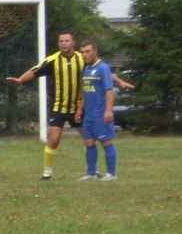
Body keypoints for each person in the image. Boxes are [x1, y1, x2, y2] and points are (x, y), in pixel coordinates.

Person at [7, 30, 135, 180]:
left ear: (73, 43)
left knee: (89, 139)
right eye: (61, 41)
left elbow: (101, 71)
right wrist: (20, 80)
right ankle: (47, 173)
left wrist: (120, 81)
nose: (64, 43)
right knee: (54, 139)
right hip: (59, 108)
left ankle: (92, 171)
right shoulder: (53, 60)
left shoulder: (83, 58)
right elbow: (35, 70)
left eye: (66, 41)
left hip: (78, 108)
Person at [77, 40, 117, 181]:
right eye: (82, 52)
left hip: (100, 114)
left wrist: (108, 111)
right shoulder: (86, 69)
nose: (85, 55)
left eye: (87, 51)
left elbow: (109, 91)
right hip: (88, 114)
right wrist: (80, 109)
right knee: (88, 143)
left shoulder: (102, 68)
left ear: (95, 51)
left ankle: (111, 174)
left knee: (105, 142)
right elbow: (86, 91)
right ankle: (91, 173)